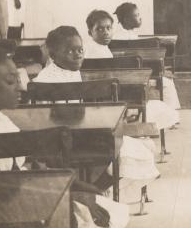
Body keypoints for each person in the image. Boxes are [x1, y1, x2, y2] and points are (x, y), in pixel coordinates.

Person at [0, 47, 128, 228]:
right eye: (11, 82)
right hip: (3, 217)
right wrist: (70, 197)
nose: (22, 88)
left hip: (23, 203)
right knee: (93, 219)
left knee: (102, 211)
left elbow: (25, 170)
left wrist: (74, 186)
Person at [33, 26, 161, 193]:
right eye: (70, 51)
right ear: (53, 54)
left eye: (80, 49)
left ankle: (94, 189)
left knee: (142, 147)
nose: (78, 54)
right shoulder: (45, 79)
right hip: (63, 140)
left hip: (76, 134)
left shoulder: (70, 70)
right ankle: (94, 190)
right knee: (135, 150)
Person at [84, 10, 179, 129]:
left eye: (109, 28)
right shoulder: (99, 51)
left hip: (98, 101)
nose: (106, 32)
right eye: (100, 29)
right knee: (163, 110)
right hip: (114, 99)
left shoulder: (87, 50)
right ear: (90, 32)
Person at [110, 2, 181, 112]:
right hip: (136, 76)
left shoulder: (116, 36)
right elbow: (138, 60)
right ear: (126, 19)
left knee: (164, 79)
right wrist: (160, 71)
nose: (140, 18)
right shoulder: (129, 37)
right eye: (136, 15)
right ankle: (172, 116)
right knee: (166, 82)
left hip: (126, 75)